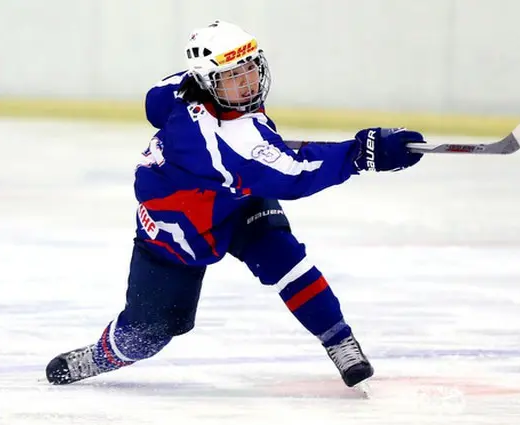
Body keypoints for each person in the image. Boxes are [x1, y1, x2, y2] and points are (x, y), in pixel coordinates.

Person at [45, 20, 424, 390]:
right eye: (232, 77)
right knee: (150, 333)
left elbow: (154, 101)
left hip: (236, 198)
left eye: (250, 68)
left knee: (287, 261)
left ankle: (338, 339)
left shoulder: (182, 89)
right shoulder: (223, 142)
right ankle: (103, 354)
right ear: (209, 83)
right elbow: (294, 173)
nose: (247, 82)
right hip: (180, 228)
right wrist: (364, 153)